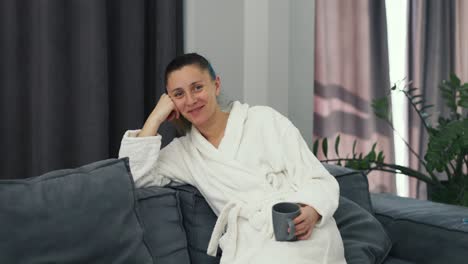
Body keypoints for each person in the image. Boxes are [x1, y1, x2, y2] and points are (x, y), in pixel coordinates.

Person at [118, 53, 346, 264]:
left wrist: (313, 211)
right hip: (252, 245)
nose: (190, 100)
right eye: (178, 94)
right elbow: (133, 176)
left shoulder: (264, 120)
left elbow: (317, 177)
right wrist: (155, 118)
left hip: (302, 231)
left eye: (197, 88)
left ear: (216, 85)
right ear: (170, 102)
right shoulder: (184, 153)